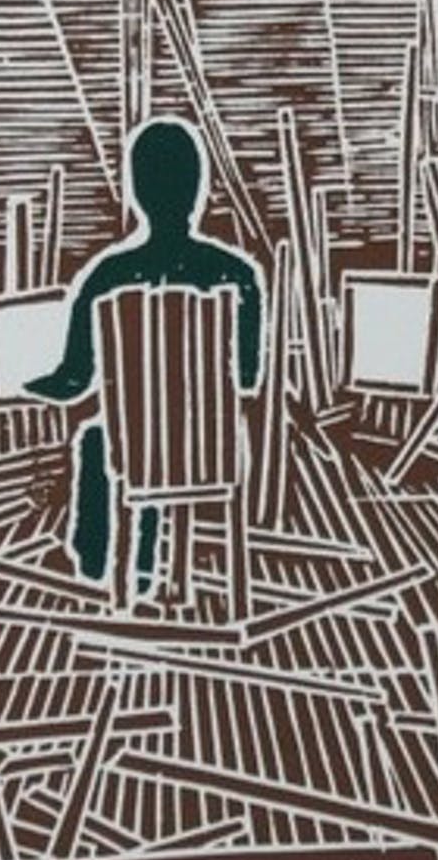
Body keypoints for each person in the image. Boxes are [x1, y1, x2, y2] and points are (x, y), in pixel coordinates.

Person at [27, 118, 263, 587]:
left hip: (132, 451)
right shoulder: (237, 274)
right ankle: (162, 564)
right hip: (213, 449)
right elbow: (248, 375)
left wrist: (28, 386)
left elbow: (75, 381)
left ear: (137, 191)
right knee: (143, 438)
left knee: (99, 438)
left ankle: (101, 566)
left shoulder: (108, 277)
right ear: (198, 189)